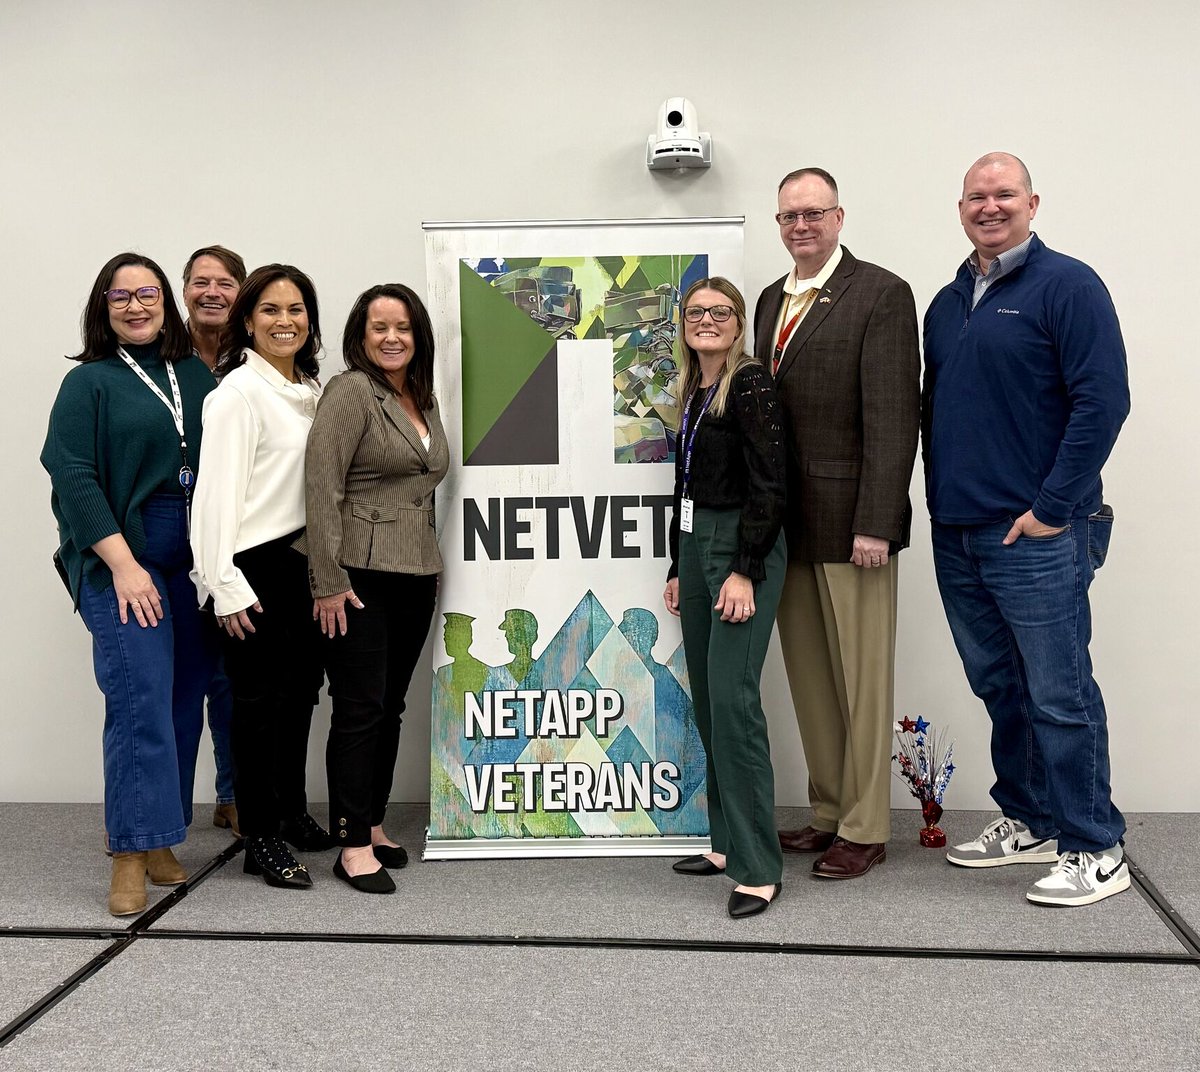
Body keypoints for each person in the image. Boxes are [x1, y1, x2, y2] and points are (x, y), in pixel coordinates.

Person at [924, 152, 1130, 906]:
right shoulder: (948, 303)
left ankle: (1095, 843)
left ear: (1032, 203)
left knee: (1059, 692)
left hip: (1038, 535)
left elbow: (1103, 403)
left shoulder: (1068, 286)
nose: (990, 206)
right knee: (1001, 687)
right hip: (960, 530)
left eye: (1004, 194)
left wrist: (1051, 509)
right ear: (961, 207)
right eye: (977, 196)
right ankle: (1032, 816)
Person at [752, 167, 921, 880]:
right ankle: (826, 812)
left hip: (856, 527)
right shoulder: (767, 300)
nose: (801, 226)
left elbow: (893, 416)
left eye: (814, 213)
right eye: (790, 215)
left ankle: (865, 824)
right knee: (811, 678)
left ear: (840, 217)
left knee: (861, 677)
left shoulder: (880, 293)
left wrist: (877, 521)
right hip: (787, 526)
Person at [41, 252, 217, 915]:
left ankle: (165, 838)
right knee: (140, 698)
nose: (136, 306)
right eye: (121, 296)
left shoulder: (195, 376)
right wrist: (123, 565)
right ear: (103, 308)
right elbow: (74, 475)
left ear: (166, 303)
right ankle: (129, 853)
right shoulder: (89, 384)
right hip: (124, 546)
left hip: (194, 555)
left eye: (148, 293)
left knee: (182, 698)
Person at [303, 283, 449, 894]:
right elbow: (321, 485)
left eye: (404, 327)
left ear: (419, 336)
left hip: (416, 571)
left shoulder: (420, 396)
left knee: (390, 706)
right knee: (360, 708)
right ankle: (350, 842)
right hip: (357, 577)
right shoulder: (350, 392)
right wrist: (327, 580)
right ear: (359, 338)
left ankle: (374, 821)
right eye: (378, 327)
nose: (392, 337)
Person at [190, 263, 331, 889]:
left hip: (306, 564)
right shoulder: (236, 396)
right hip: (255, 566)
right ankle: (262, 836)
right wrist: (222, 583)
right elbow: (213, 498)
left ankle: (292, 811)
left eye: (296, 309)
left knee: (300, 698)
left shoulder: (313, 390)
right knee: (257, 708)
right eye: (270, 310)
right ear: (248, 320)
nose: (285, 321)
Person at [663, 276, 787, 919]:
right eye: (695, 313)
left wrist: (745, 569)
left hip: (743, 546)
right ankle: (723, 841)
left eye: (720, 312)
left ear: (738, 324)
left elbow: (771, 480)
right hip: (697, 544)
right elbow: (683, 485)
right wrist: (677, 565)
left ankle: (759, 865)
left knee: (735, 704)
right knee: (709, 700)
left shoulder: (751, 383)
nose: (706, 320)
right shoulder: (693, 389)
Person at [182, 244, 248, 836]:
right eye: (201, 281)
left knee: (231, 675)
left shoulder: (256, 359)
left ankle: (233, 792)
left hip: (236, 533)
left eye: (225, 282)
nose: (212, 292)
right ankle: (160, 813)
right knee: (178, 676)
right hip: (170, 534)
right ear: (184, 291)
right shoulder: (159, 355)